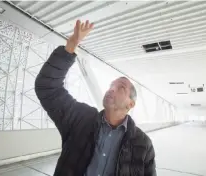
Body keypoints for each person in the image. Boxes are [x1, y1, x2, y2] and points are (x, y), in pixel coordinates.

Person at [35, 20, 156, 176]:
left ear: (130, 104)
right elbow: (47, 88)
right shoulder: (80, 119)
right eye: (111, 85)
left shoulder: (143, 144)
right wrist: (70, 46)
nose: (111, 89)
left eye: (120, 88)